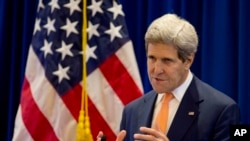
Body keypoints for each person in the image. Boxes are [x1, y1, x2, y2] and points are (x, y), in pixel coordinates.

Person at [97, 13, 240, 141]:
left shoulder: (223, 110)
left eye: (167, 60)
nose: (156, 70)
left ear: (188, 61)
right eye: (152, 58)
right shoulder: (132, 111)